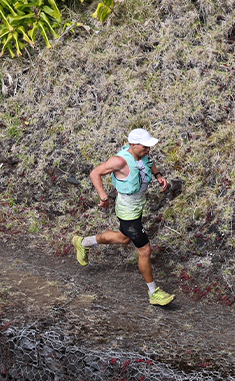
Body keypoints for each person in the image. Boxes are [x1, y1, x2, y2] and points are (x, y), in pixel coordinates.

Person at [72, 128, 175, 306]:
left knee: (124, 238)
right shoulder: (119, 161)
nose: (148, 150)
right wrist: (103, 197)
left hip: (137, 207)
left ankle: (83, 242)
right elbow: (95, 173)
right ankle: (154, 293)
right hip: (128, 213)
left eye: (149, 147)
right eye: (145, 147)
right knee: (145, 250)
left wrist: (158, 176)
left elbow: (149, 163)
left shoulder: (142, 155)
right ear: (134, 145)